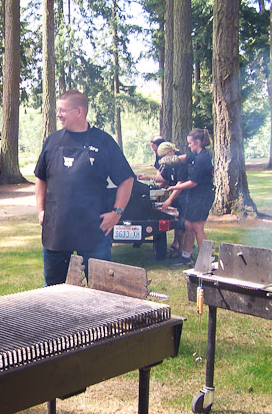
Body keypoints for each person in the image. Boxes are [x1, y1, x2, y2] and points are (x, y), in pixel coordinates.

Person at [34, 90, 135, 286]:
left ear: (79, 111)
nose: (58, 115)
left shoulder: (103, 142)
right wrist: (40, 210)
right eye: (58, 110)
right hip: (56, 229)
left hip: (94, 230)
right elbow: (41, 178)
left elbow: (126, 179)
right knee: (52, 290)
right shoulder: (52, 141)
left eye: (62, 110)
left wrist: (117, 213)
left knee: (101, 289)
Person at [161, 128, 214, 266]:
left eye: (190, 143)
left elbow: (193, 182)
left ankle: (206, 259)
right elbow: (185, 157)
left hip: (203, 196)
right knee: (188, 225)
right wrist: (171, 159)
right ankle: (186, 256)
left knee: (197, 227)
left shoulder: (203, 159)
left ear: (198, 142)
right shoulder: (196, 155)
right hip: (194, 196)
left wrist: (174, 188)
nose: (189, 145)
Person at [154, 141, 188, 258]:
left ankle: (183, 251)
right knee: (177, 223)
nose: (163, 159)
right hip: (176, 195)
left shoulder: (181, 162)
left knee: (182, 224)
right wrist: (148, 178)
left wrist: (169, 200)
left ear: (170, 152)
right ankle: (177, 247)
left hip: (184, 195)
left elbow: (181, 182)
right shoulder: (169, 163)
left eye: (164, 156)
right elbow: (164, 179)